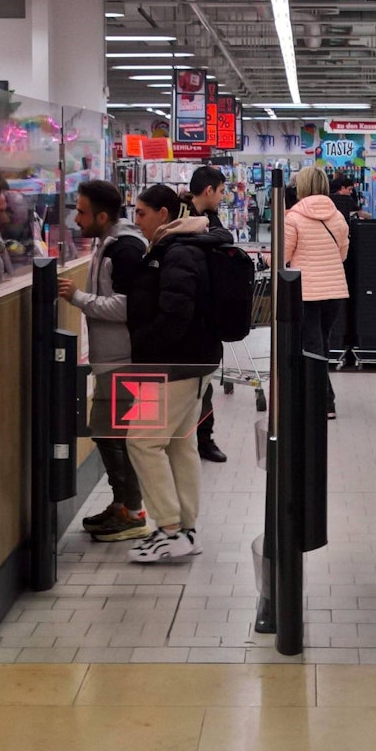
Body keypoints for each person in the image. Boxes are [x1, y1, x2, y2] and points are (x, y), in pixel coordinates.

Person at [123, 184, 223, 562]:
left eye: (143, 212)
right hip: (190, 363)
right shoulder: (184, 246)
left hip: (172, 364)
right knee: (181, 443)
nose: (137, 220)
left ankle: (167, 528)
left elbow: (176, 313)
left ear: (164, 214)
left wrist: (144, 344)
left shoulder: (177, 252)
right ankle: (185, 531)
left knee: (142, 441)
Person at [58, 180, 151, 543]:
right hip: (111, 358)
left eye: (81, 212)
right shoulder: (109, 244)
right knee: (111, 432)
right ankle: (124, 505)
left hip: (124, 359)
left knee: (110, 433)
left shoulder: (125, 249)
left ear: (101, 215)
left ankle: (133, 510)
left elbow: (129, 306)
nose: (76, 218)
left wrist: (79, 298)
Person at [284, 166, 350, 419]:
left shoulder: (293, 218)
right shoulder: (337, 216)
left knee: (312, 346)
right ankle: (318, 397)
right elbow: (342, 254)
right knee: (320, 342)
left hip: (307, 291)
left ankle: (324, 402)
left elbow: (284, 256)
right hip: (334, 291)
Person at [180, 165, 235, 463]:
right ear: (208, 190)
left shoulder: (210, 219)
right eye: (222, 191)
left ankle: (204, 438)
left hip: (205, 311)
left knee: (204, 381)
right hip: (184, 308)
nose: (223, 197)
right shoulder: (178, 213)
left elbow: (223, 238)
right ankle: (185, 437)